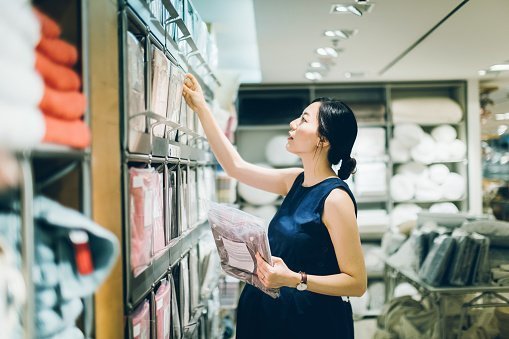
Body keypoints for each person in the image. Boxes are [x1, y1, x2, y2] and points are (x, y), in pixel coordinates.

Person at [182, 74, 366, 339]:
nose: (292, 124)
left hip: (309, 323)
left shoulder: (335, 198)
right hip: (270, 312)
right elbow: (235, 166)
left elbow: (356, 282)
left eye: (304, 119)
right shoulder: (295, 180)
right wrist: (201, 107)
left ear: (323, 140)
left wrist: (295, 279)